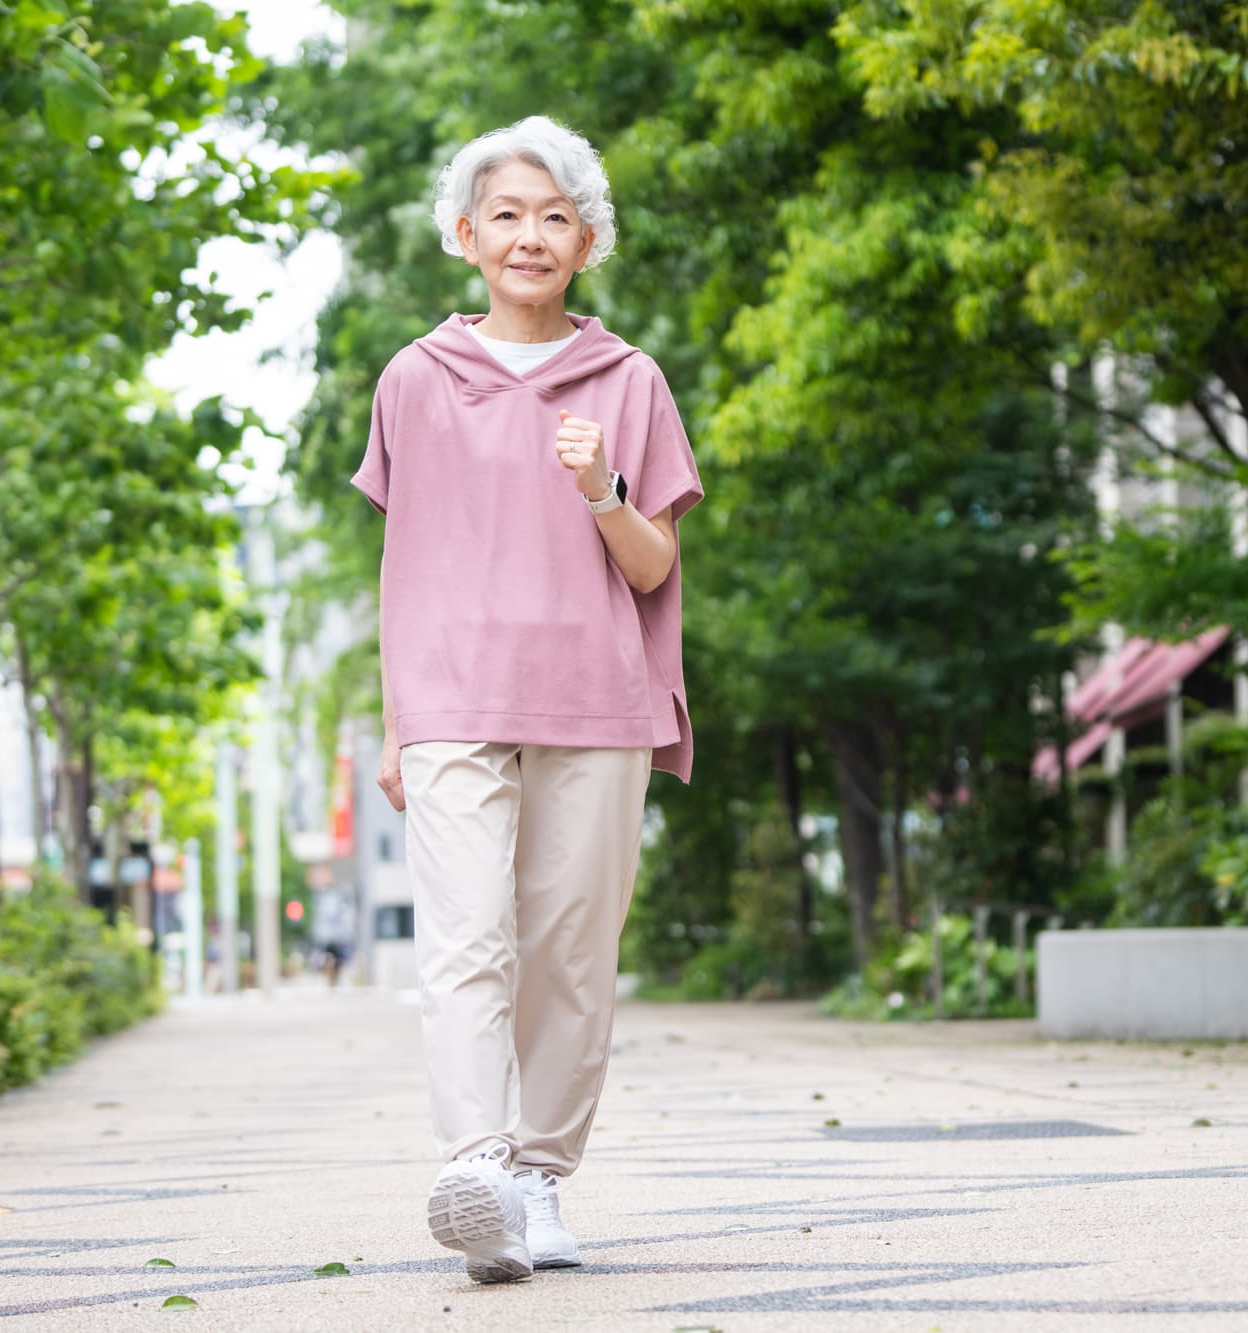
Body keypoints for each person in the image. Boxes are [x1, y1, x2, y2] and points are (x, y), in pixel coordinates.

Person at [352, 115, 702, 1285]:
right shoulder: (414, 376)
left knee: (568, 950)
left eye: (556, 216)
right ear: (464, 234)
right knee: (463, 943)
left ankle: (542, 1178)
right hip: (452, 695)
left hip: (595, 697)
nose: (530, 235)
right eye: (505, 214)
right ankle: (478, 1172)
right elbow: (402, 566)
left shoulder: (628, 379)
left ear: (588, 242)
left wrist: (601, 487)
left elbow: (653, 568)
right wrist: (397, 721)